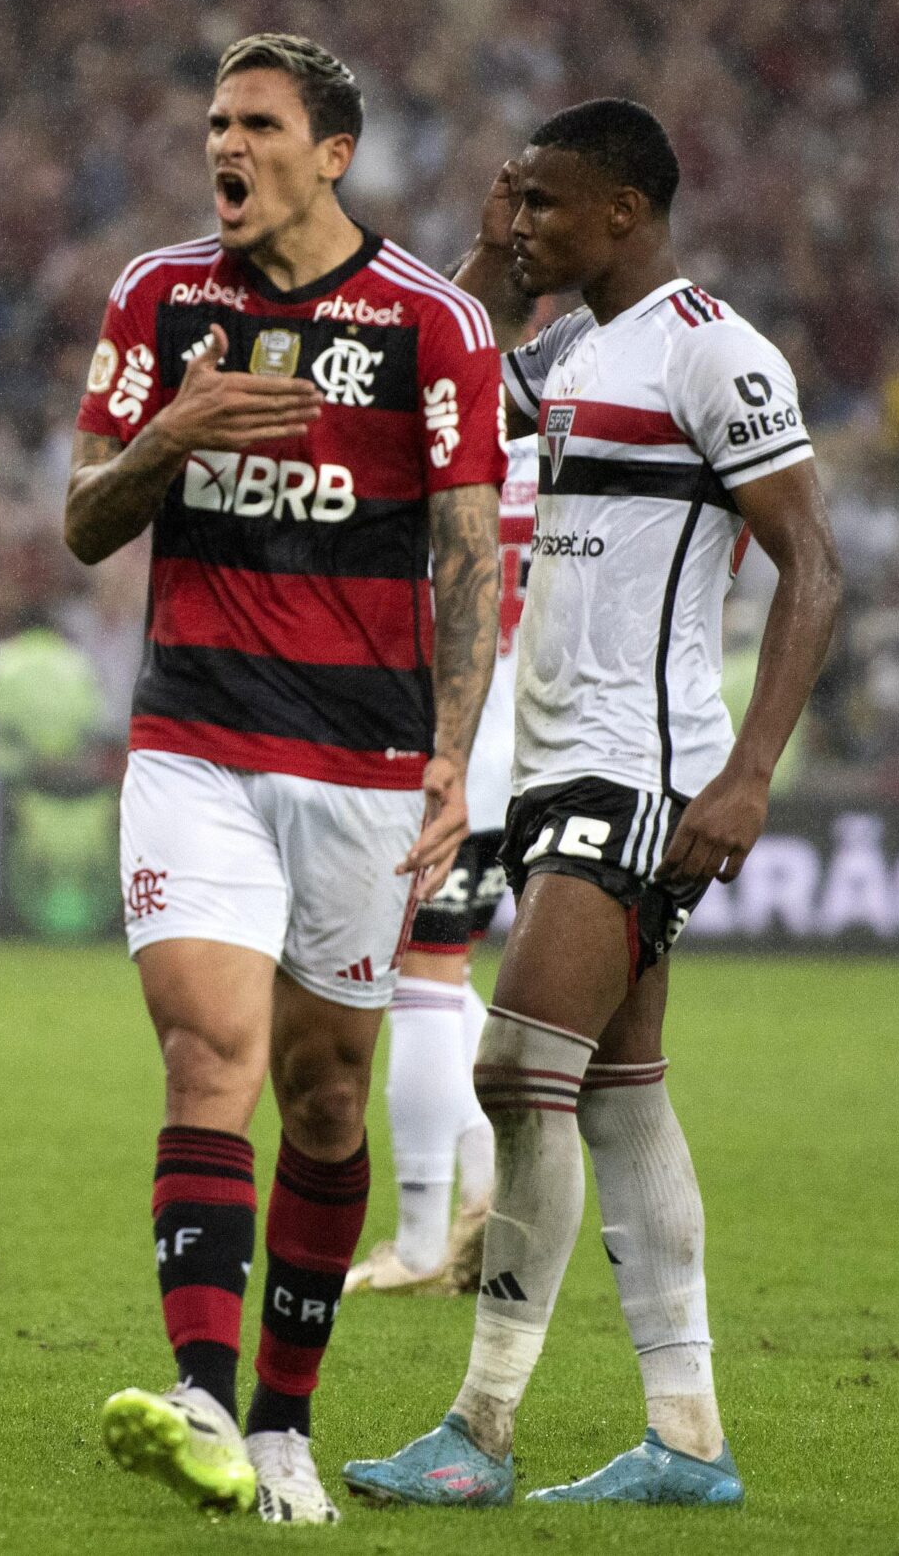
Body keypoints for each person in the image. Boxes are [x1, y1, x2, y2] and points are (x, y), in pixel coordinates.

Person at [344, 99, 842, 1509]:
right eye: (514, 202)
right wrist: (498, 254)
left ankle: (481, 1427)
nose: (522, 227)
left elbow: (813, 563)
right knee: (619, 1098)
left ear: (626, 211)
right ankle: (687, 1436)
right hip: (561, 760)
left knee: (516, 1071)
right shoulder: (566, 349)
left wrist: (747, 771)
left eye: (547, 206)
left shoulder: (716, 352)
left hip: (648, 767)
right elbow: (429, 369)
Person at [62, 34, 503, 1523]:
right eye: (213, 123)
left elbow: (466, 554)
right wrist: (172, 434)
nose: (223, 147)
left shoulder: (430, 323)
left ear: (334, 152)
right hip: (195, 740)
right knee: (211, 1055)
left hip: (365, 761)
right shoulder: (159, 297)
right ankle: (196, 1388)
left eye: (257, 124)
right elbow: (80, 516)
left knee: (325, 1094)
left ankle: (282, 1422)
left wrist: (453, 751)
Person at [345, 427, 537, 1298]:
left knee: (415, 979)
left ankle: (422, 1245)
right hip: (526, 748)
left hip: (440, 744)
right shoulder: (562, 446)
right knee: (437, 970)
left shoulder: (441, 440)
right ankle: (483, 1193)